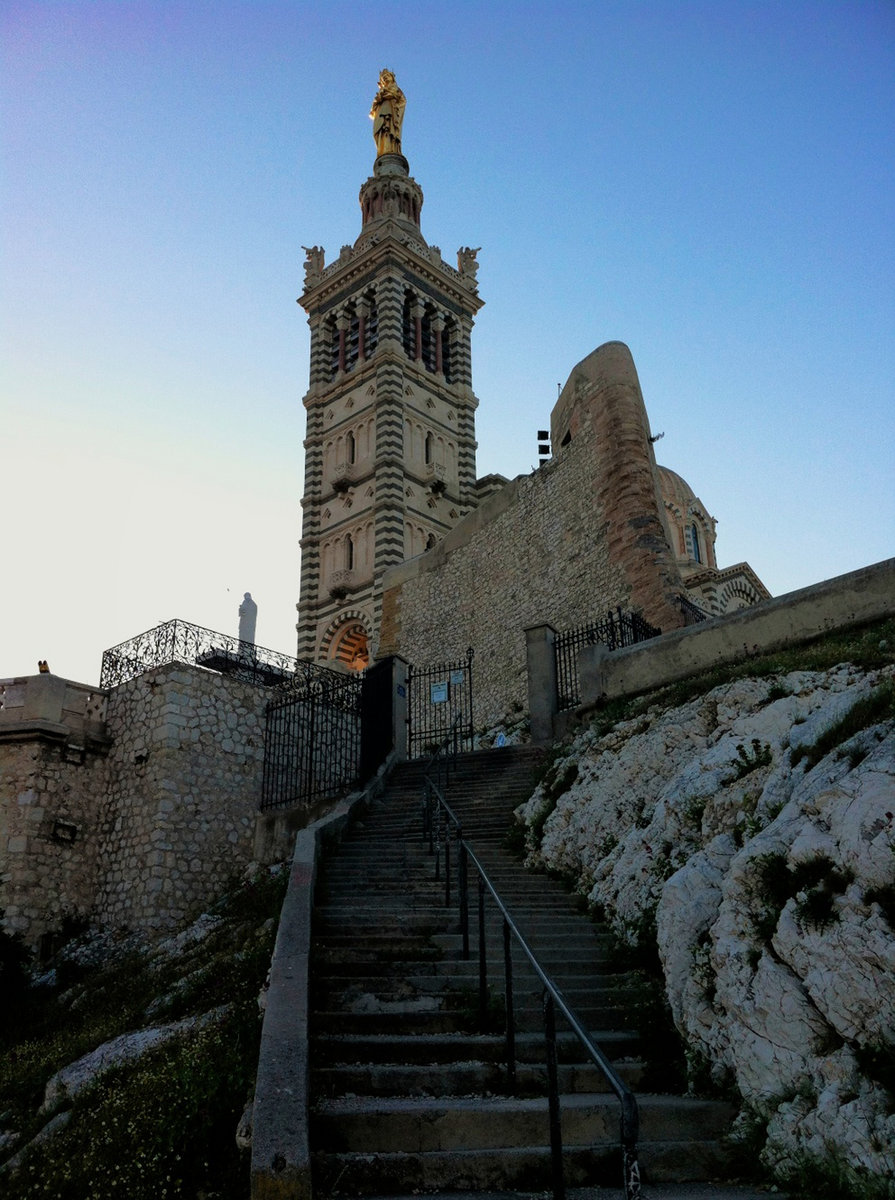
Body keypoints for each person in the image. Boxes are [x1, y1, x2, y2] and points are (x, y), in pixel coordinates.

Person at [370, 69, 406, 156]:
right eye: (383, 78)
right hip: (380, 113)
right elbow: (372, 111)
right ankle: (383, 150)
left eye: (387, 76)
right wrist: (378, 100)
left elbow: (403, 101)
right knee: (381, 132)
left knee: (390, 131)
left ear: (392, 78)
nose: (385, 78)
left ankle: (391, 149)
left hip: (391, 113)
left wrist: (390, 97)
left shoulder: (396, 90)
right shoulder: (380, 94)